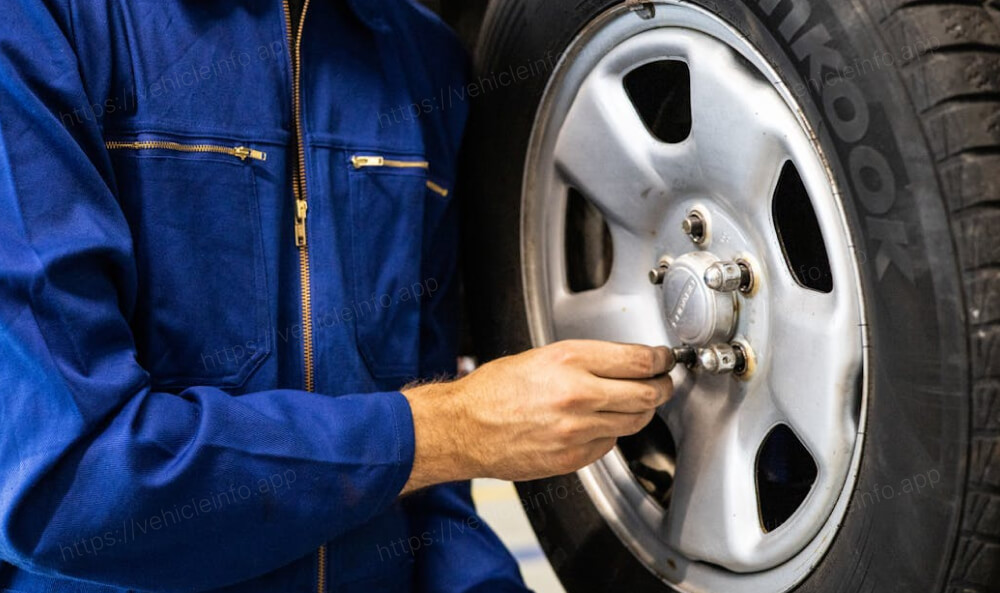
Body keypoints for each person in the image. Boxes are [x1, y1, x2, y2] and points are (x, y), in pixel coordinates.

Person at [0, 0, 674, 591]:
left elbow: (430, 501)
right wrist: (451, 428)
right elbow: (65, 484)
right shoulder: (44, 24)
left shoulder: (420, 60)